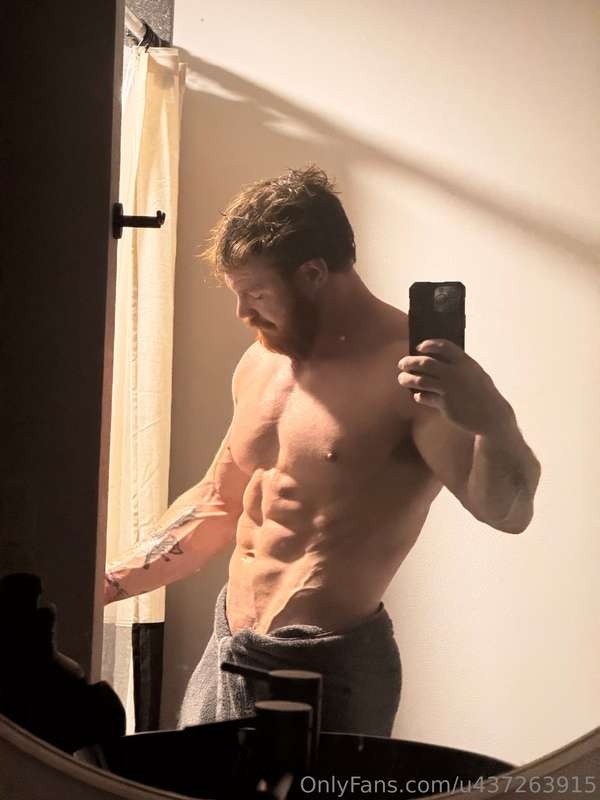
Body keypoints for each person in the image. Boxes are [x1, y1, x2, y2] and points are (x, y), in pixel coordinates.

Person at [104, 165, 541, 736]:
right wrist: (107, 584)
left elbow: (507, 513)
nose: (243, 313)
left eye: (256, 293)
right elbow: (218, 501)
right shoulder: (261, 362)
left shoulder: (412, 375)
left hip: (326, 669)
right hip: (229, 648)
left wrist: (495, 423)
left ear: (312, 273)